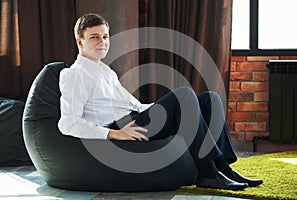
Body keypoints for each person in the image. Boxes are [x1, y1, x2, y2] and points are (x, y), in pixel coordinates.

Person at [58, 13, 263, 191]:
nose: (102, 42)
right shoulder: (75, 75)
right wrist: (114, 133)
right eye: (94, 37)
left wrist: (167, 107)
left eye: (105, 36)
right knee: (184, 95)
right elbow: (67, 123)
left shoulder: (105, 71)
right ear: (80, 42)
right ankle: (208, 173)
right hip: (123, 128)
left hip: (135, 118)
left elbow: (136, 106)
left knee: (210, 99)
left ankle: (224, 168)